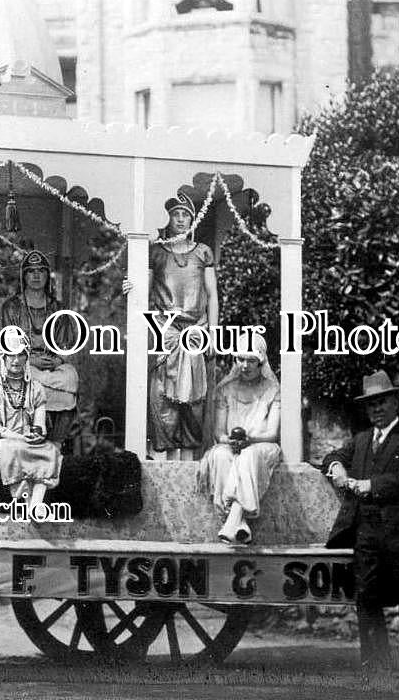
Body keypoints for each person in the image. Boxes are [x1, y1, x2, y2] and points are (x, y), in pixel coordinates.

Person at [322, 370, 399, 673]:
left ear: (395, 403)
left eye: (382, 402)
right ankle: (376, 667)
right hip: (367, 534)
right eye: (371, 404)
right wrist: (337, 467)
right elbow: (332, 455)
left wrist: (370, 485)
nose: (376, 409)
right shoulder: (360, 441)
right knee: (367, 599)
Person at [122, 191, 218, 460]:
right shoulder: (157, 253)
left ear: (192, 220)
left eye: (185, 214)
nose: (180, 219)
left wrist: (212, 332)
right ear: (167, 218)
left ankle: (188, 465)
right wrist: (130, 286)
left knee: (195, 399)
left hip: (196, 331)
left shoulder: (203, 252)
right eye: (175, 214)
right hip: (166, 330)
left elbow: (212, 295)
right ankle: (166, 463)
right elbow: (143, 289)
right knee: (163, 395)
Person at [196, 333, 282, 545]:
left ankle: (232, 517)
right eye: (240, 359)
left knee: (249, 455)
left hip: (262, 445)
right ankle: (240, 523)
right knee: (219, 455)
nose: (245, 365)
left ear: (261, 361)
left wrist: (250, 439)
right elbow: (219, 433)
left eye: (251, 360)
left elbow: (272, 433)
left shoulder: (273, 390)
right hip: (231, 445)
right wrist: (230, 441)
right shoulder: (225, 389)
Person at [0, 250, 79, 442]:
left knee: (71, 378)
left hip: (52, 366)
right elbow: (5, 344)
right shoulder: (11, 306)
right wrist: (31, 359)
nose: (36, 275)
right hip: (23, 363)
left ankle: (57, 445)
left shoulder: (57, 308)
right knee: (28, 376)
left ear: (47, 276)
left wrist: (54, 361)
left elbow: (64, 345)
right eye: (31, 271)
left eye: (41, 271)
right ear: (24, 276)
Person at [0, 331, 62, 509]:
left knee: (51, 450)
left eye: (21, 354)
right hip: (2, 442)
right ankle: (26, 500)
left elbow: (39, 424)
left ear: (26, 357)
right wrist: (20, 438)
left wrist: (37, 434)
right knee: (13, 449)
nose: (16, 360)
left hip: (27, 442)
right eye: (11, 355)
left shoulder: (36, 388)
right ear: (3, 357)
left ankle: (36, 504)